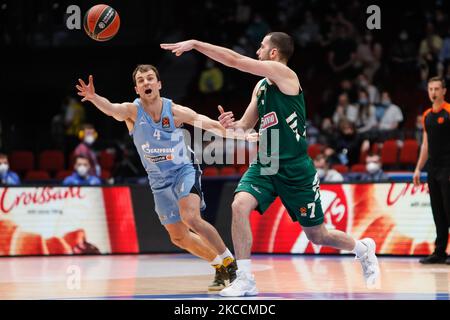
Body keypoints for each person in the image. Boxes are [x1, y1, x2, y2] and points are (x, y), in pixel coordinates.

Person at [161, 32, 380, 296]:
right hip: (267, 161)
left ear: (274, 53)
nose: (257, 51)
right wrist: (230, 126)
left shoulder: (285, 76)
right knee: (239, 205)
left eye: (262, 47)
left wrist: (196, 44)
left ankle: (362, 248)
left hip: (296, 167)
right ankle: (245, 279)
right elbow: (244, 126)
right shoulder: (261, 87)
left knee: (318, 236)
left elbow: (234, 60)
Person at [75, 65, 253, 290]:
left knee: (190, 217)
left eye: (150, 78)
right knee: (178, 237)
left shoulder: (174, 110)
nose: (146, 83)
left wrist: (236, 132)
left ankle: (231, 263)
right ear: (137, 89)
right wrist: (93, 97)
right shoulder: (133, 111)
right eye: (141, 80)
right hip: (158, 181)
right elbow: (112, 109)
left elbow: (206, 122)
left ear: (159, 84)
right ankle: (219, 265)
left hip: (183, 170)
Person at [413, 77, 450, 265]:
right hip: (433, 169)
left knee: (449, 209)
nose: (433, 92)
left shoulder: (449, 111)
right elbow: (425, 145)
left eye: (437, 89)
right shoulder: (427, 115)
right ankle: (440, 251)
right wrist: (418, 168)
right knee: (438, 212)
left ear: (444, 91)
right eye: (430, 89)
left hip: (448, 167)